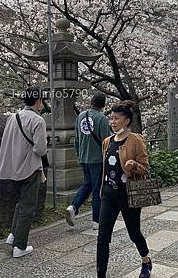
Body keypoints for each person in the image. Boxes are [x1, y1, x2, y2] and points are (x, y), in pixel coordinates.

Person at [97, 101, 152, 278]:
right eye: (111, 118)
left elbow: (145, 168)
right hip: (108, 194)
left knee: (134, 232)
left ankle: (145, 260)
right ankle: (101, 274)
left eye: (116, 119)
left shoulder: (136, 140)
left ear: (126, 120)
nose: (113, 122)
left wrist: (134, 165)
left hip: (128, 193)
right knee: (102, 237)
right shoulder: (107, 142)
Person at [0, 87, 47, 258]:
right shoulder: (38, 120)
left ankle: (13, 236)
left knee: (20, 203)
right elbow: (40, 149)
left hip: (12, 166)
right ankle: (20, 246)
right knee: (28, 206)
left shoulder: (13, 117)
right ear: (38, 100)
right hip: (29, 167)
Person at [65, 92, 111, 229]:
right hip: (97, 159)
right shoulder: (102, 118)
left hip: (84, 157)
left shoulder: (80, 116)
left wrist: (79, 155)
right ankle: (96, 221)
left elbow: (77, 139)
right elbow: (106, 142)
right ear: (103, 105)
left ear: (91, 102)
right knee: (97, 189)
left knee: (87, 184)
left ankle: (73, 207)